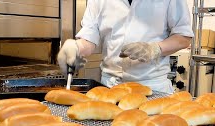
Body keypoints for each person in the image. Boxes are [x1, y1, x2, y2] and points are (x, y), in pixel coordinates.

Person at [58, 0, 193, 94]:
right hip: (110, 87)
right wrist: (76, 47)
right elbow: (89, 37)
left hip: (152, 87)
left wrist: (155, 49)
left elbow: (183, 37)